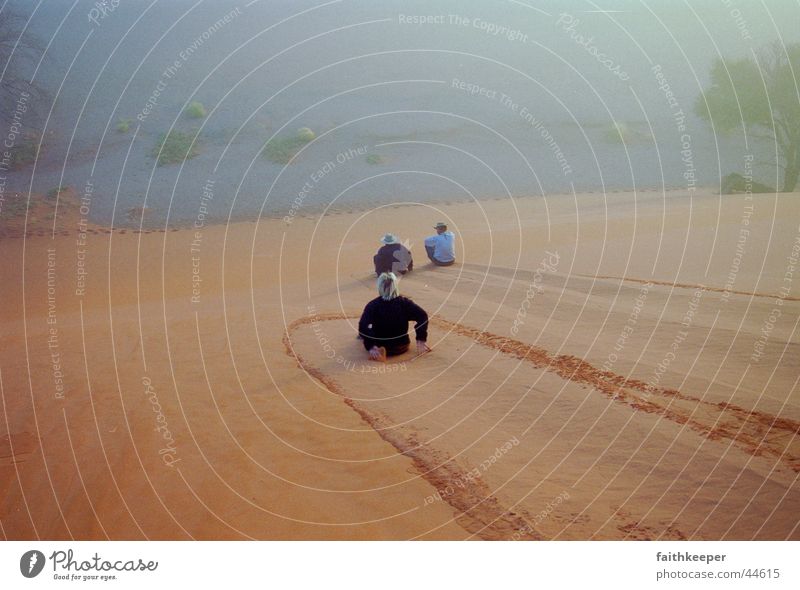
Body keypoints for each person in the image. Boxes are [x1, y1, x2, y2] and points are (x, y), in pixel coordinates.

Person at [359, 272, 431, 361]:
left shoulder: (373, 305)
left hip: (379, 347)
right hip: (401, 347)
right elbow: (422, 316)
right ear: (395, 287)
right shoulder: (405, 303)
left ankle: (377, 350)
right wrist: (421, 339)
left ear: (380, 287)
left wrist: (371, 346)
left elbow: (363, 326)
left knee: (363, 332)